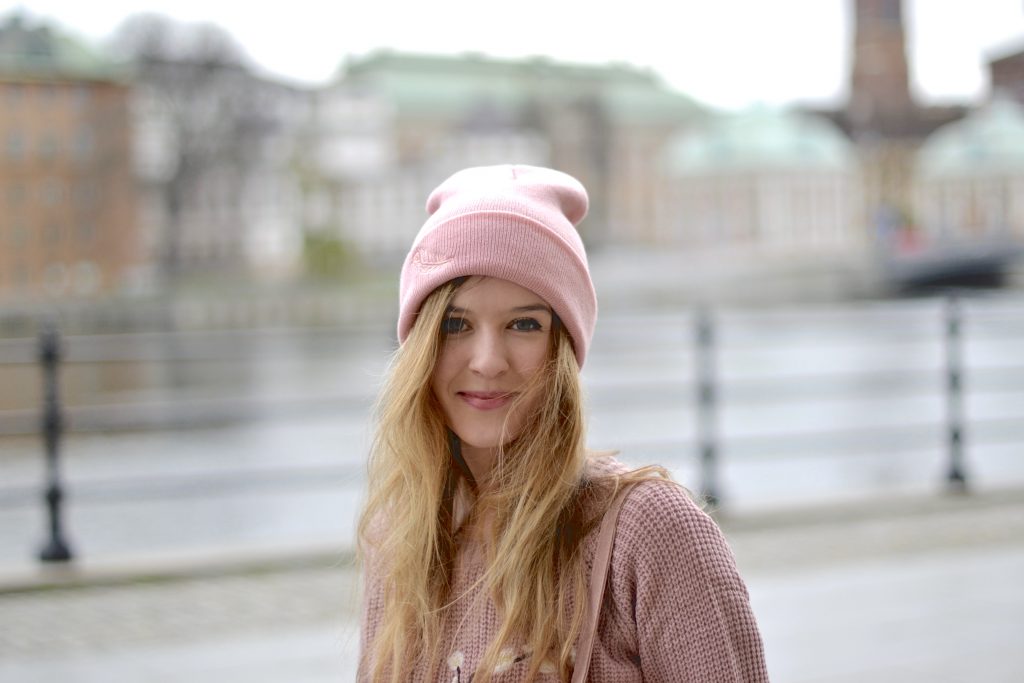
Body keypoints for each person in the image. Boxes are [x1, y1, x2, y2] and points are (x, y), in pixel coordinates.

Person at [357, 165, 768, 682]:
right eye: (455, 324)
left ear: (564, 349)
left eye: (524, 324)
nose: (487, 360)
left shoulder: (650, 534)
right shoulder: (399, 539)